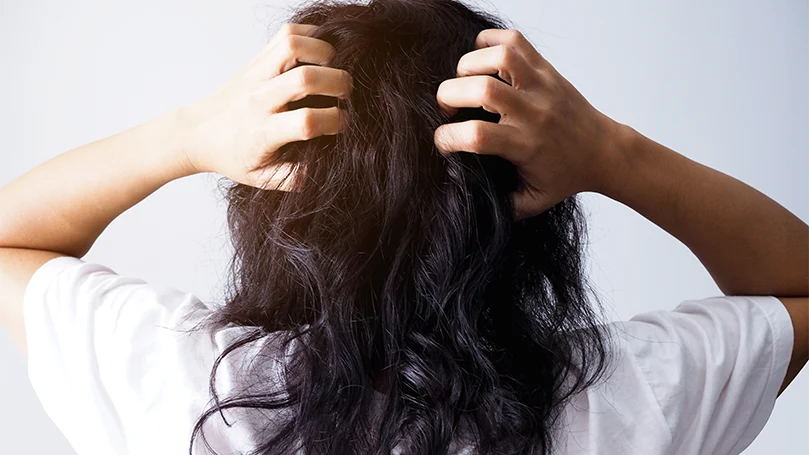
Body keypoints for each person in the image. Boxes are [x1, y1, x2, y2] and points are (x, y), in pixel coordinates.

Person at [1, 0, 807, 454]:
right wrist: (612, 152)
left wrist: (187, 133)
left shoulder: (188, 388)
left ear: (281, 201)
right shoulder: (625, 399)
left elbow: (10, 239)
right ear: (521, 205)